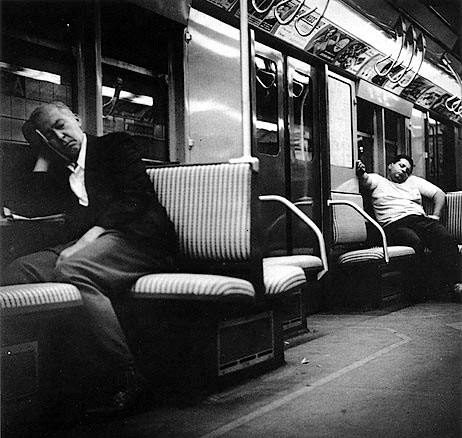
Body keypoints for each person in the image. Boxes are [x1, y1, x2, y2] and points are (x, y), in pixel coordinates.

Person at [5, 101, 178, 416]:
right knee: (19, 270)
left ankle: (129, 378)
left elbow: (133, 199)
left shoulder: (115, 146)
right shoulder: (60, 167)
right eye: (50, 136)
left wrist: (86, 239)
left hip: (140, 240)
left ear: (77, 118)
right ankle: (50, 381)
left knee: (73, 270)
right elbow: (31, 203)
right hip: (96, 245)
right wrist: (43, 153)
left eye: (61, 125)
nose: (61, 136)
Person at [356, 154, 461, 302]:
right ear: (390, 165)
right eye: (401, 166)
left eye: (407, 170)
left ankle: (455, 285)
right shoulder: (378, 180)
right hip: (394, 224)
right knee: (414, 242)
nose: (404, 171)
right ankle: (416, 291)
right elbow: (365, 180)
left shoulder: (413, 182)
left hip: (420, 219)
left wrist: (436, 216)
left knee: (446, 239)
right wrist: (361, 172)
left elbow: (439, 194)